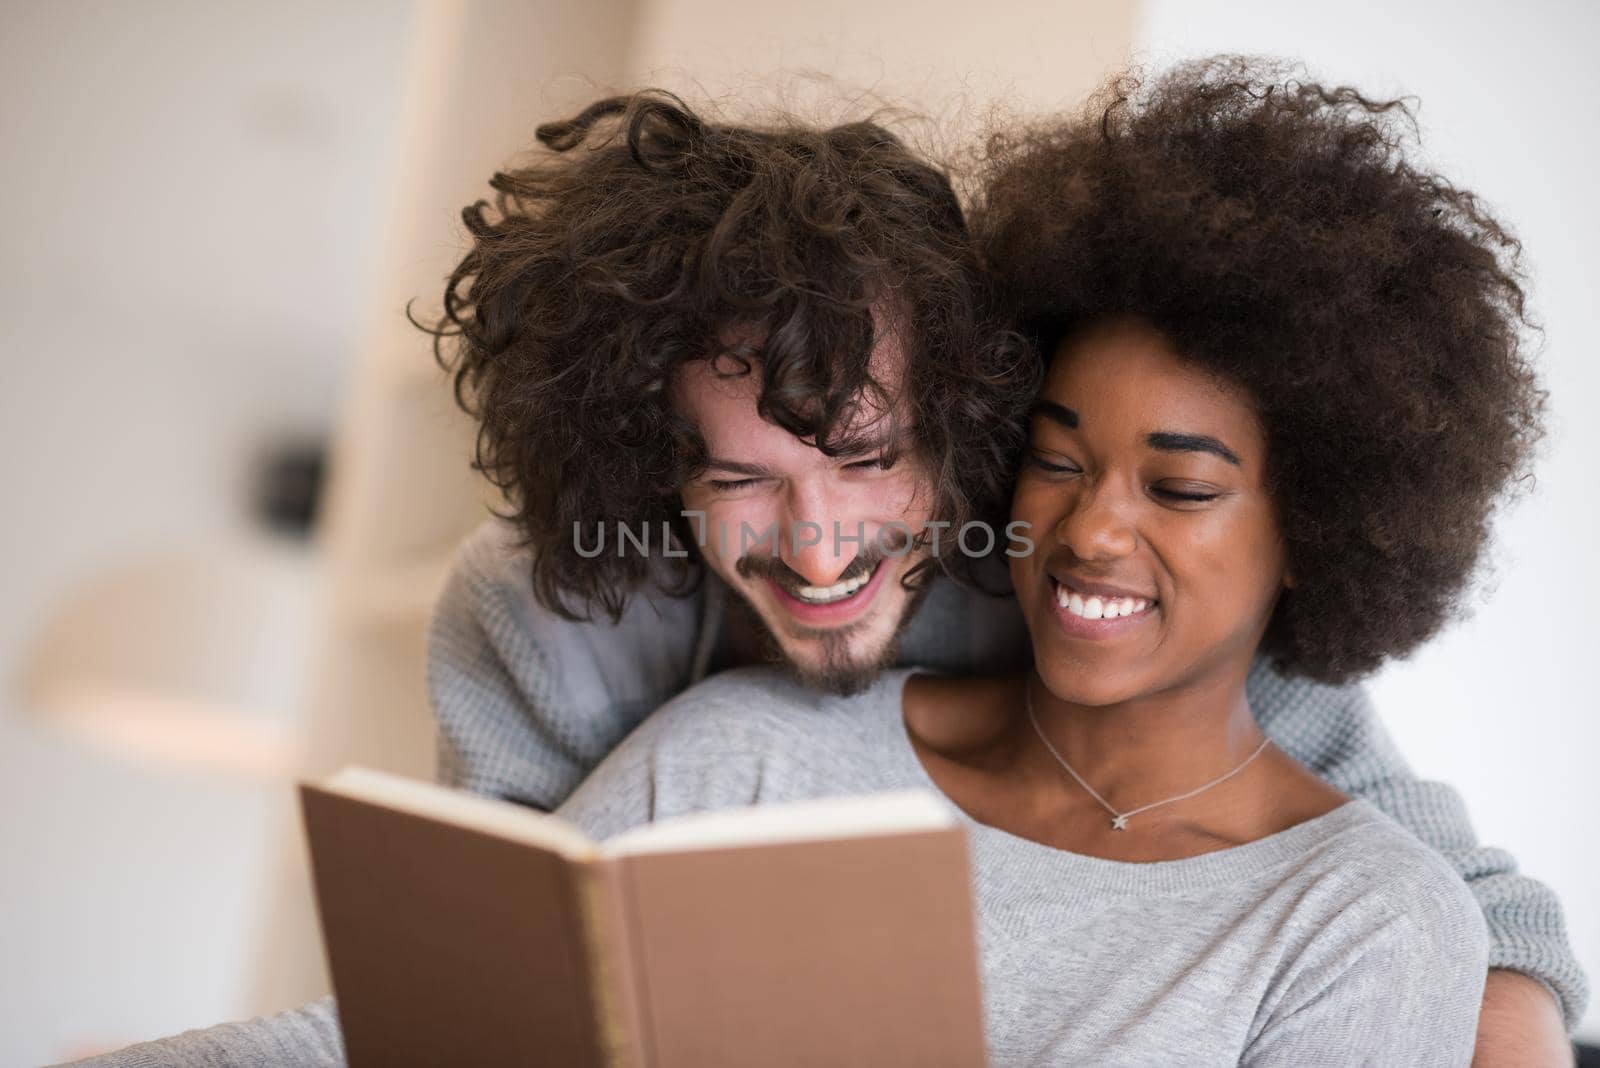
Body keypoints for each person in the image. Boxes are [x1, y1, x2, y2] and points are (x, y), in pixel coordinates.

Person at [63, 72, 1580, 1066]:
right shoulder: (593, 659)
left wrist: (1487, 1018)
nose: (823, 541)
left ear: (956, 429)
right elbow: (466, 1018)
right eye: (741, 477)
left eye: (866, 458)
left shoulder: (1050, 589)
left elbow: (1411, 870)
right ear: (654, 474)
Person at [550, 58, 1551, 1063]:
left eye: (1181, 490)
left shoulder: (1364, 927)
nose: (1088, 534)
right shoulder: (735, 764)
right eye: (1056, 460)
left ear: (1323, 528)